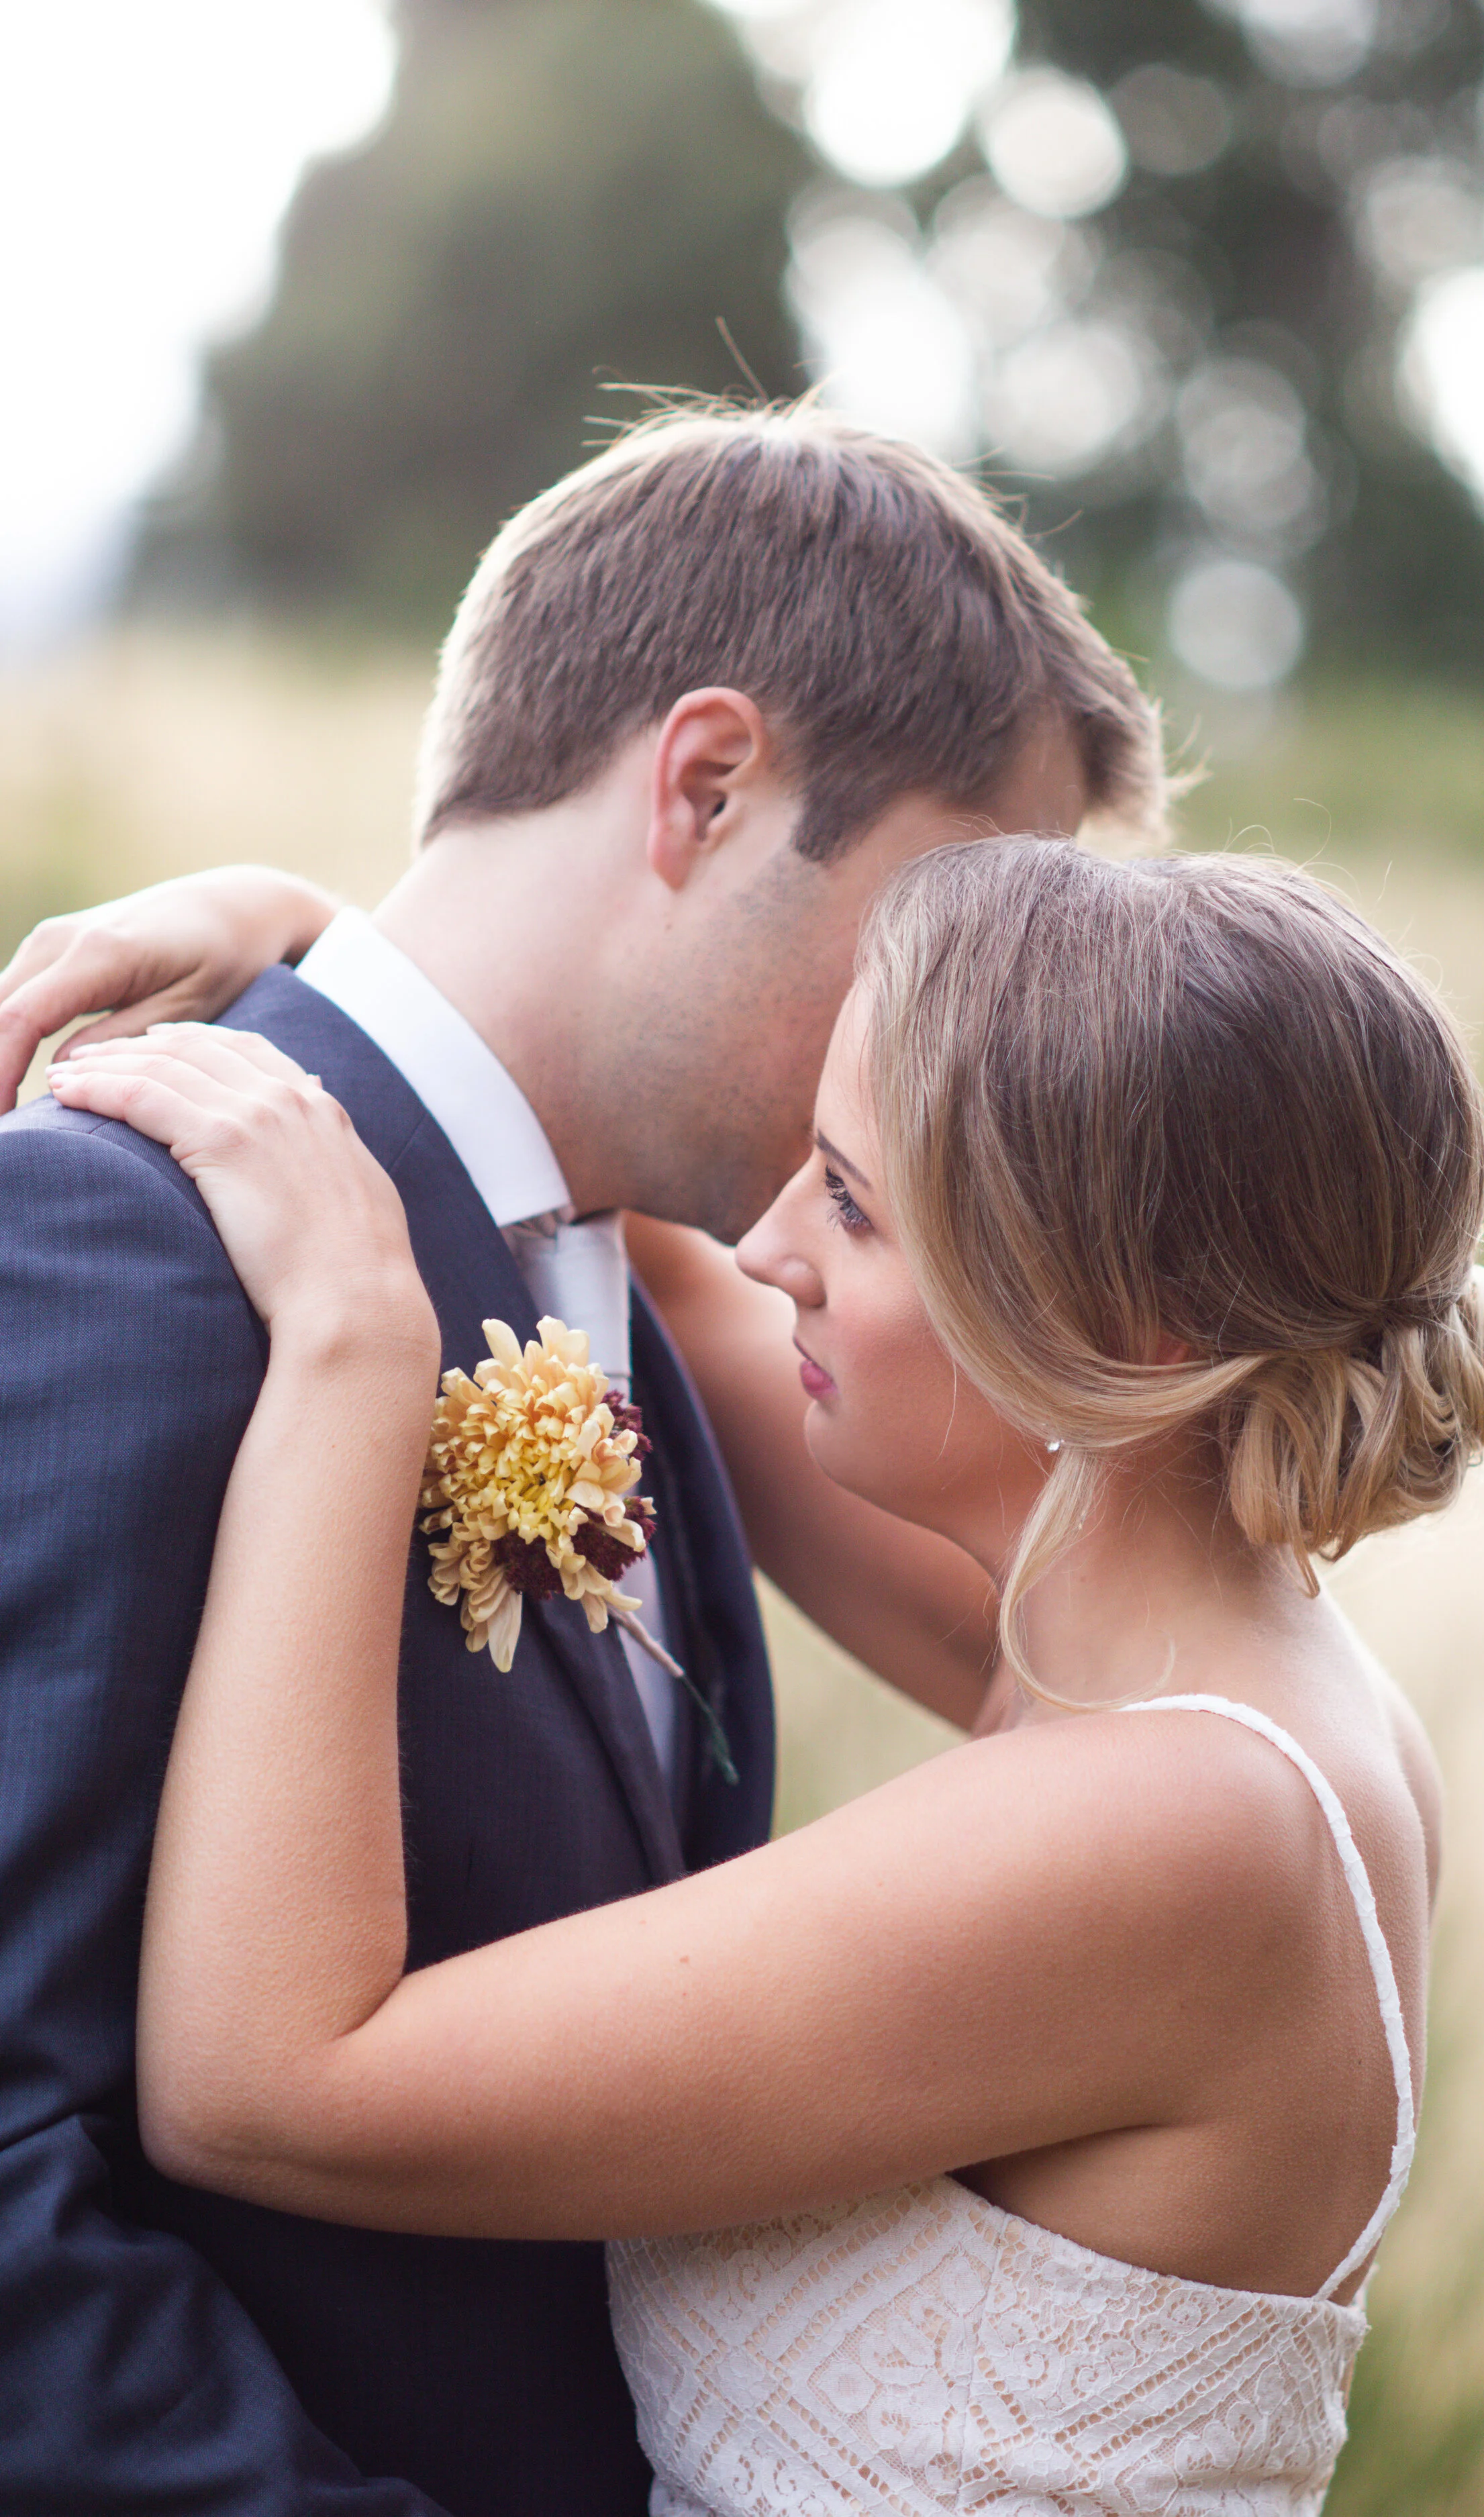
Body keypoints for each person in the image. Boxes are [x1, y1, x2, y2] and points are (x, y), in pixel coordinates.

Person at [41, 839, 1484, 2516]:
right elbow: (649, 1249)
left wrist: (355, 1344)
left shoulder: (1183, 1825)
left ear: (1124, 1327)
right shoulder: (1202, 1666)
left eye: (855, 1205)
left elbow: (265, 2092)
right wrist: (317, 940)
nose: (765, 1243)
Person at [0, 407, 1159, 2517]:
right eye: (935, 935)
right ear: (705, 785)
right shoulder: (120, 1244)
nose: (957, 1046)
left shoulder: (657, 1287)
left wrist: (317, 935)